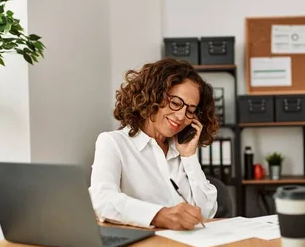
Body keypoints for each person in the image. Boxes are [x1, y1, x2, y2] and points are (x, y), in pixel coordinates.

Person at [89, 58, 220, 230]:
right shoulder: (113, 143)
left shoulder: (180, 150)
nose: (181, 116)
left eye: (190, 111)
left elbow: (207, 213)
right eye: (175, 103)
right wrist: (159, 215)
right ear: (152, 96)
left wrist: (189, 157)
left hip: (188, 246)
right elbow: (101, 199)